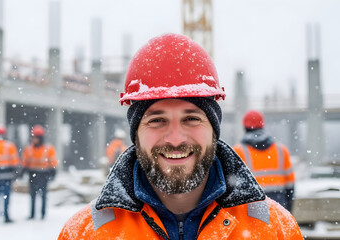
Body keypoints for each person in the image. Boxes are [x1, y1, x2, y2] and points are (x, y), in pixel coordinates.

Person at [58, 33, 302, 239]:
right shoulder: (84, 233)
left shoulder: (276, 230)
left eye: (191, 118)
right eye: (157, 120)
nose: (175, 139)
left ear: (213, 129)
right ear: (136, 133)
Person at [233, 110, 295, 212]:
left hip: (252, 205)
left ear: (245, 128)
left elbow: (232, 186)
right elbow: (290, 185)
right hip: (279, 203)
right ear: (263, 126)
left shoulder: (237, 151)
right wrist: (288, 210)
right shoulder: (281, 150)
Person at [22, 125, 58, 220]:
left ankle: (42, 214)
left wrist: (53, 171)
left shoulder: (48, 148)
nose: (33, 139)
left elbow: (53, 161)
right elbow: (25, 162)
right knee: (33, 195)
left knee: (43, 195)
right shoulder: (28, 149)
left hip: (44, 174)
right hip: (32, 174)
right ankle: (32, 214)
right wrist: (23, 170)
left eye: (35, 137)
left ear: (40, 138)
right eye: (32, 137)